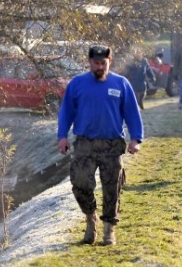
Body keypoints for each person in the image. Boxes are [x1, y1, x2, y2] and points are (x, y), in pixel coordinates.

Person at [57, 45, 143, 245]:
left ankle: (109, 229)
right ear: (89, 62)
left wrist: (135, 139)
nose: (99, 67)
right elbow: (66, 112)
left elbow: (132, 112)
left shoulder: (121, 84)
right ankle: (90, 218)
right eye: (95, 63)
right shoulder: (77, 84)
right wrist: (62, 136)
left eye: (103, 63)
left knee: (111, 187)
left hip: (112, 144)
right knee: (79, 183)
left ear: (109, 62)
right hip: (84, 143)